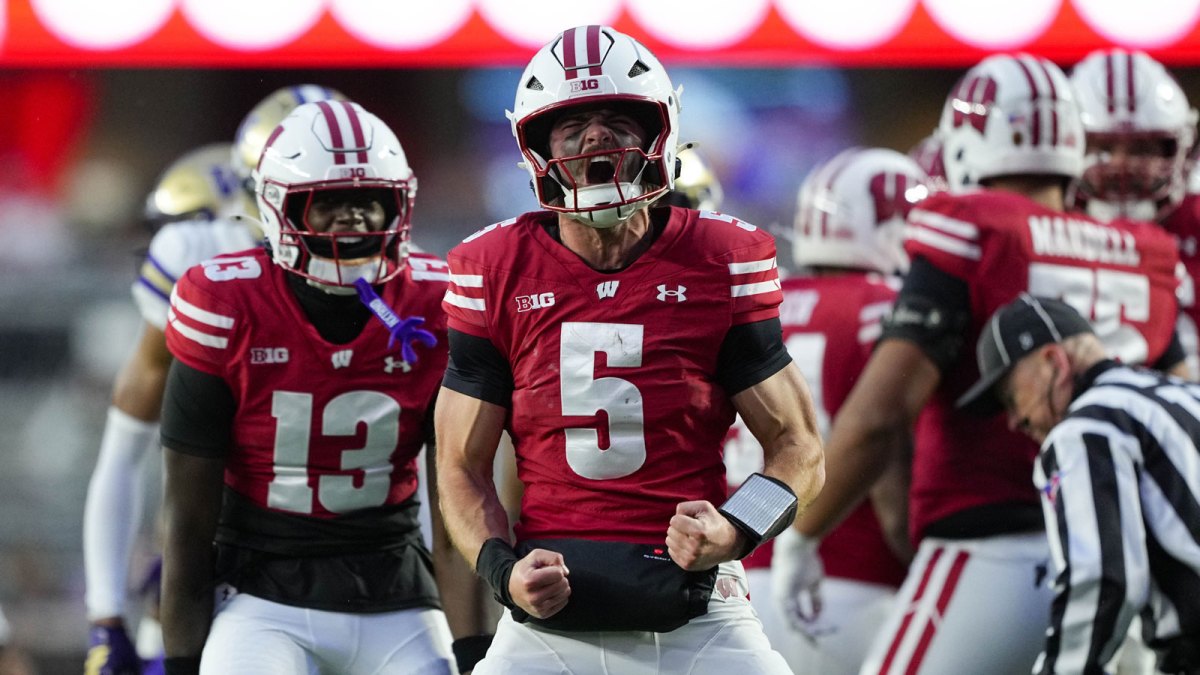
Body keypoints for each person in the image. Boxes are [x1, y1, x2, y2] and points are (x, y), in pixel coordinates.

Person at [435, 24, 824, 675]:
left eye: (619, 119)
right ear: (535, 147)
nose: (596, 138)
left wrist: (733, 529)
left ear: (659, 134)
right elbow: (459, 465)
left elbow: (799, 446)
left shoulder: (721, 257)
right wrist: (503, 572)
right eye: (573, 125)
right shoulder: (495, 266)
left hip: (700, 606)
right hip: (550, 617)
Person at [790, 53, 1186, 675]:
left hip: (991, 548)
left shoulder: (975, 224)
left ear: (969, 143)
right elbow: (1179, 401)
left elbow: (881, 416)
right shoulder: (1151, 251)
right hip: (1121, 545)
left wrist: (803, 536)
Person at [158, 101, 460, 675]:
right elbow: (187, 520)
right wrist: (181, 660)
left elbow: (461, 504)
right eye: (329, 203)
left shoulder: (431, 305)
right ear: (279, 208)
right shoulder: (227, 303)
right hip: (262, 595)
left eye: (369, 201)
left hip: (393, 589)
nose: (353, 220)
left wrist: (474, 653)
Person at [82, 84, 344, 675]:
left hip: (360, 561)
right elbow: (123, 451)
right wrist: (106, 616)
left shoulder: (402, 276)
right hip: (223, 558)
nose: (338, 219)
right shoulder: (200, 254)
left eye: (353, 196)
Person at [958, 294, 1200, 675]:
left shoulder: (1087, 428)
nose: (1014, 420)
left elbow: (1101, 581)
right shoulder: (1185, 396)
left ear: (1053, 361)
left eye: (1010, 396)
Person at [766, 147, 926, 675]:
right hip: (849, 581)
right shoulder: (886, 307)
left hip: (742, 583)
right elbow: (885, 462)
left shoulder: (763, 302)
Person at [1071, 48, 1200, 378]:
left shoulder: (1194, 218)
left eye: (1142, 148)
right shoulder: (1045, 223)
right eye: (1102, 147)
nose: (1121, 166)